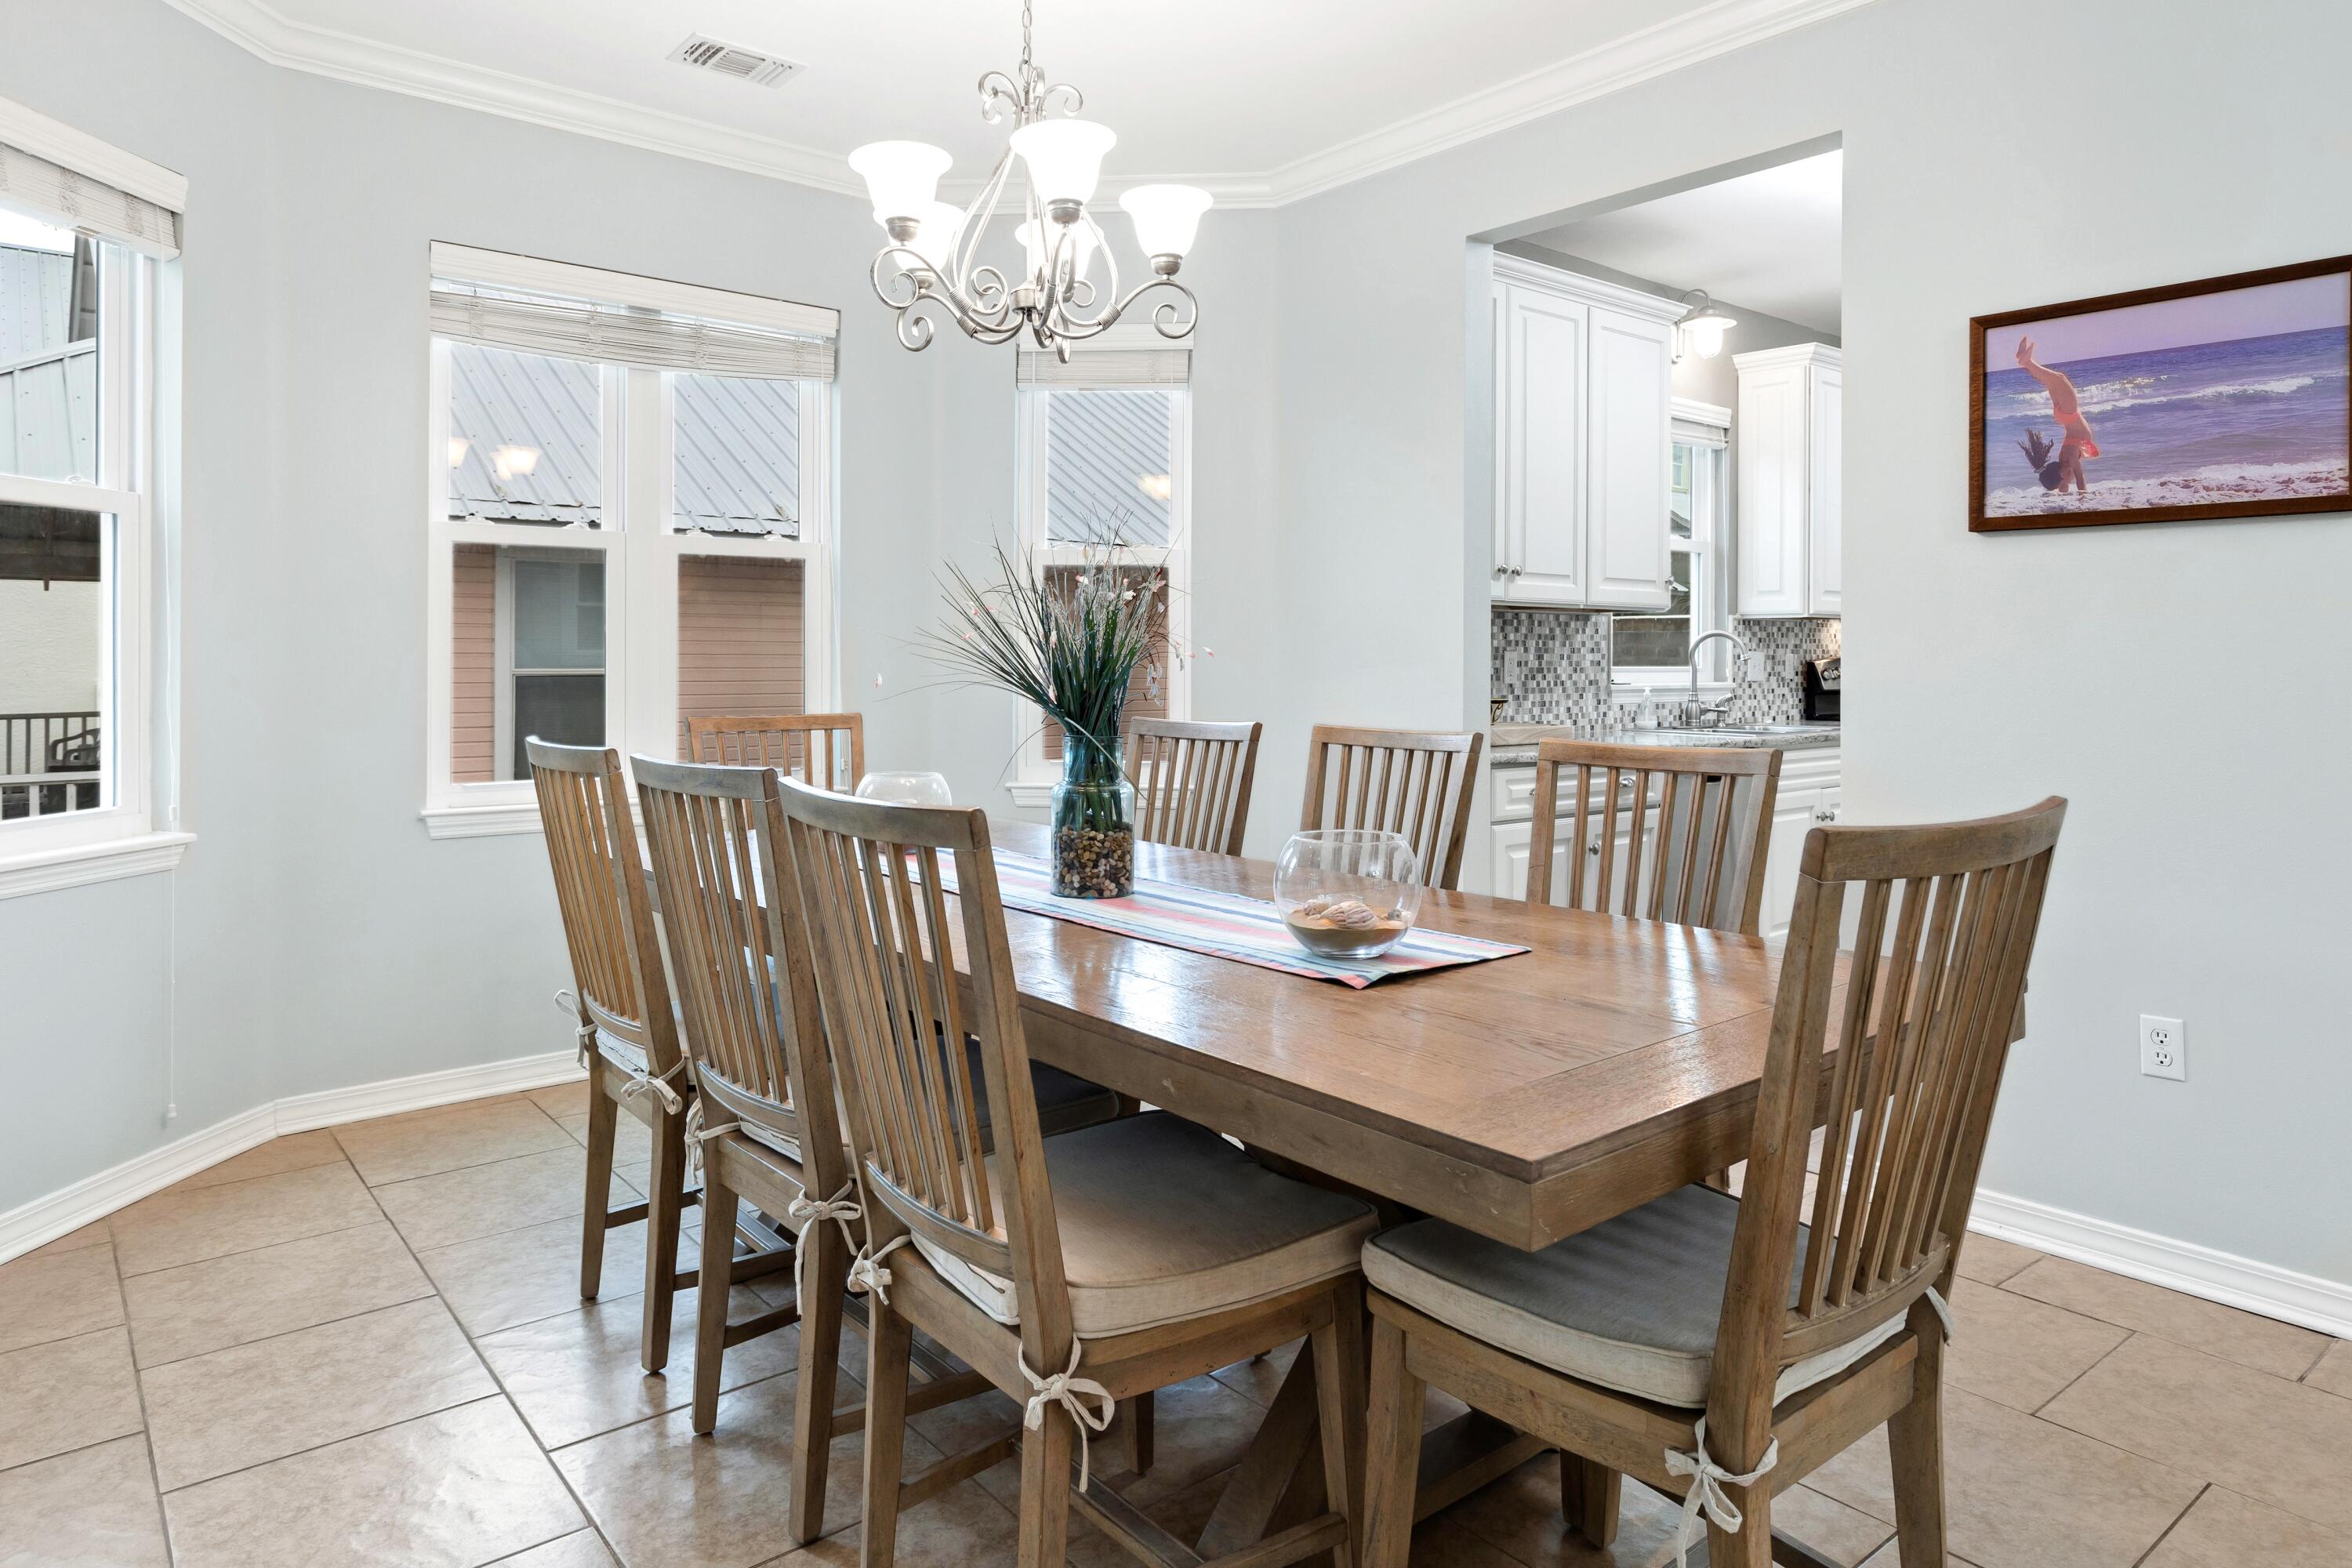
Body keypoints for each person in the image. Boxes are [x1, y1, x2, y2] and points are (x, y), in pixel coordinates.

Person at [2014, 336, 2099, 493]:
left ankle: (2027, 362)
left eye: (2062, 483)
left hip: (2070, 414)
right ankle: (2026, 362)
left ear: (2062, 473)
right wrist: (2063, 490)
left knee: (2059, 379)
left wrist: (2083, 497)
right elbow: (2066, 482)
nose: (2065, 484)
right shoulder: (2062, 460)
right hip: (2063, 416)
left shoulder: (2071, 459)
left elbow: (2080, 480)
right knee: (2052, 382)